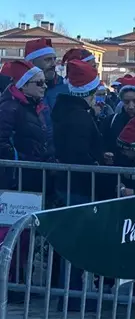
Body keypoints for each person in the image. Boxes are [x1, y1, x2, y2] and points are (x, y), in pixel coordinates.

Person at [52, 60, 109, 204]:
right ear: (92, 91)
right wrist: (97, 166)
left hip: (69, 183)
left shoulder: (67, 109)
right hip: (78, 187)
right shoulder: (79, 116)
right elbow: (78, 153)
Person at [0, 59, 53, 192]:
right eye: (39, 83)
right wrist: (21, 159)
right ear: (23, 85)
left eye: (45, 82)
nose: (45, 86)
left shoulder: (34, 106)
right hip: (17, 178)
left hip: (34, 174)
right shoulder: (9, 107)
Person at [24, 39, 59, 152]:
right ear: (32, 63)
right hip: (31, 159)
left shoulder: (64, 87)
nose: (54, 64)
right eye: (48, 60)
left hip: (59, 159)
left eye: (54, 59)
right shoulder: (18, 91)